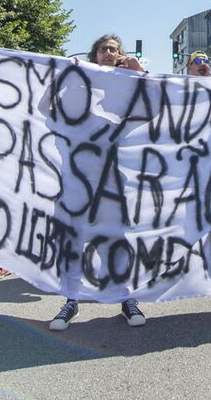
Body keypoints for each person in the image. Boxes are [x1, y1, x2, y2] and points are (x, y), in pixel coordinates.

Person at [49, 34, 147, 331]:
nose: (107, 52)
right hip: (76, 179)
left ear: (120, 56)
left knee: (115, 239)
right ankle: (70, 299)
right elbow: (48, 110)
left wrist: (140, 75)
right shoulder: (78, 86)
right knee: (73, 240)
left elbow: (153, 111)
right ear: (94, 57)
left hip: (111, 180)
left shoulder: (125, 89)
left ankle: (125, 298)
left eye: (113, 49)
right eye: (102, 49)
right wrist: (69, 77)